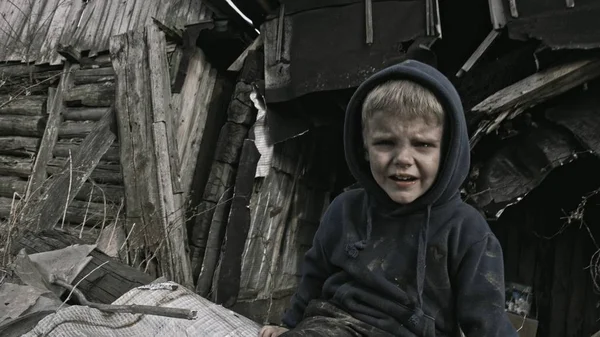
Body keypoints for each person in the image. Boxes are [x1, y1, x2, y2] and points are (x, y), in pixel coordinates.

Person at [259, 60, 518, 337]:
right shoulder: (345, 210)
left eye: (423, 144)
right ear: (365, 149)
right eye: (385, 143)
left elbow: (487, 322)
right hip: (332, 328)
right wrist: (289, 326)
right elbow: (313, 279)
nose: (403, 159)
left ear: (447, 152)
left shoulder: (467, 231)